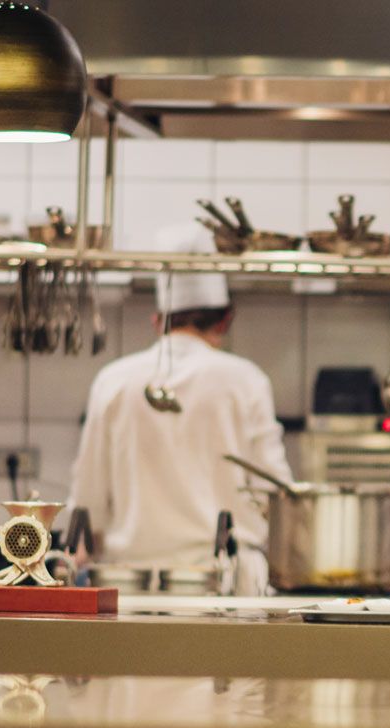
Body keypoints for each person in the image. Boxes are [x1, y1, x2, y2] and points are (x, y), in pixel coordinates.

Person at [67, 225, 292, 594]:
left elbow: (87, 502)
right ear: (226, 319)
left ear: (158, 322)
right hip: (226, 585)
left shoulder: (113, 381)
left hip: (133, 585)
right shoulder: (247, 381)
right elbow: (275, 494)